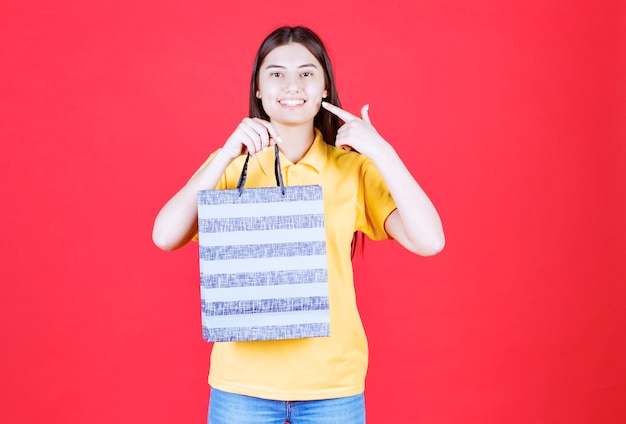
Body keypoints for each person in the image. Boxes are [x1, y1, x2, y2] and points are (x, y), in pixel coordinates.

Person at [152, 26, 445, 424]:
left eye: (307, 72)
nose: (292, 84)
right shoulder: (231, 165)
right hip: (242, 385)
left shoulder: (351, 170)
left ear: (325, 86)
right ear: (258, 88)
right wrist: (224, 155)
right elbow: (165, 236)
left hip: (333, 386)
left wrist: (381, 150)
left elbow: (430, 241)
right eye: (276, 73)